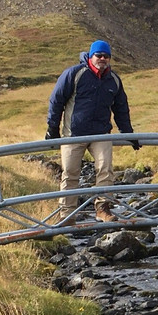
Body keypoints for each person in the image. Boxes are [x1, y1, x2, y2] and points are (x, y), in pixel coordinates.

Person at [45, 39, 140, 223]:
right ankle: (67, 214)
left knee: (105, 169)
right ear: (91, 55)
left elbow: (121, 108)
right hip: (73, 134)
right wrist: (52, 128)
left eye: (106, 56)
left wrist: (129, 134)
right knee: (70, 173)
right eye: (99, 55)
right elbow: (56, 100)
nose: (102, 59)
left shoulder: (114, 80)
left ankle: (102, 209)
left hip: (101, 133)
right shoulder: (75, 74)